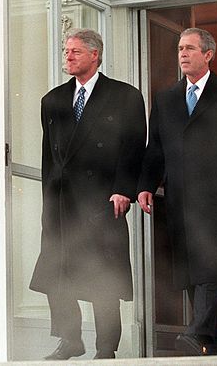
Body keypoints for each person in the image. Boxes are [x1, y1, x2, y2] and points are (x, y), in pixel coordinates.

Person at [137, 27, 217, 356]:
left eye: (190, 48)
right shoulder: (166, 99)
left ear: (208, 54)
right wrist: (145, 187)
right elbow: (156, 150)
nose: (182, 54)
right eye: (180, 48)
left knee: (211, 267)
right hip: (182, 201)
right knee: (195, 275)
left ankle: (195, 333)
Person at [29, 28, 147, 360]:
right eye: (66, 51)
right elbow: (48, 159)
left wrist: (123, 190)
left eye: (75, 52)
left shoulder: (125, 96)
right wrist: (48, 200)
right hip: (62, 202)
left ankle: (106, 348)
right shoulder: (51, 101)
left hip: (102, 200)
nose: (68, 56)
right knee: (55, 270)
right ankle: (69, 339)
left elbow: (134, 147)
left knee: (102, 276)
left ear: (95, 55)